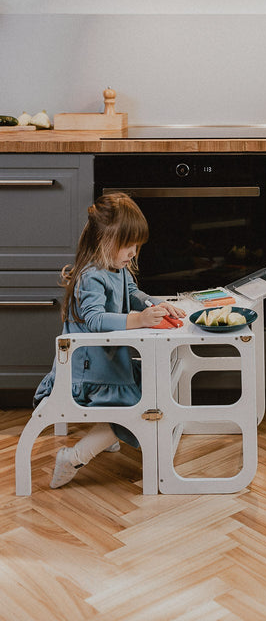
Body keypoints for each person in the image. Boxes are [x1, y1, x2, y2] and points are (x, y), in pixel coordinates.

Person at [34, 192, 185, 488]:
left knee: (150, 388)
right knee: (137, 406)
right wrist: (139, 320)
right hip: (87, 372)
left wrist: (155, 305)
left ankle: (108, 434)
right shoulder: (91, 276)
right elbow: (95, 319)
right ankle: (74, 456)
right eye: (127, 245)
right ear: (104, 241)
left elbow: (133, 295)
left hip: (109, 365)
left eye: (136, 246)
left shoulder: (118, 268)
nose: (133, 252)